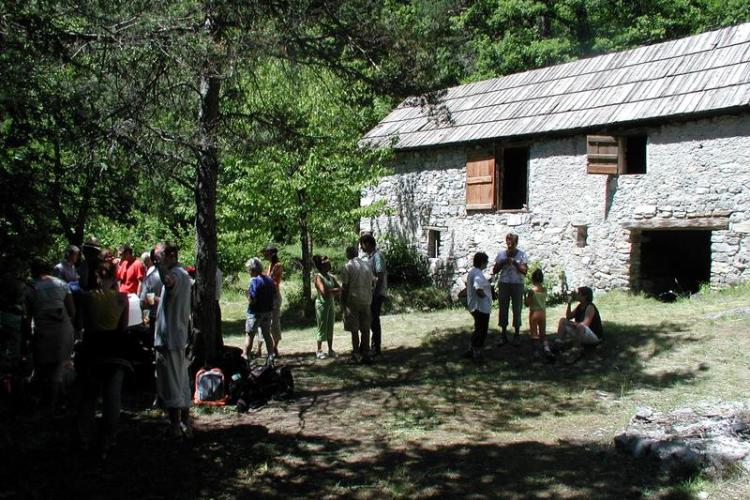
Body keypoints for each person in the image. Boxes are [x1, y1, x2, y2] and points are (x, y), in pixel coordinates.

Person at [76, 261, 131, 455]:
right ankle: (108, 439)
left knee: (88, 397)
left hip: (92, 349)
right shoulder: (122, 299)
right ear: (115, 278)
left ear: (97, 277)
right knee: (112, 398)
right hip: (115, 350)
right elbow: (123, 328)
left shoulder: (87, 298)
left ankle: (84, 438)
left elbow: (82, 325)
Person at [154, 242, 193, 438]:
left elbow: (168, 281)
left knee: (171, 382)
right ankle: (185, 422)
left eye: (159, 256)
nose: (156, 260)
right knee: (181, 379)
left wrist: (160, 266)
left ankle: (176, 426)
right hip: (177, 336)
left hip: (170, 338)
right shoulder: (184, 274)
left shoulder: (177, 275)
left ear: (169, 256)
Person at [26, 259, 75, 416]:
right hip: (62, 329)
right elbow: (72, 311)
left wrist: (27, 335)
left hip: (43, 329)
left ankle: (43, 403)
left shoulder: (32, 287)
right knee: (58, 368)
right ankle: (55, 403)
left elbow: (28, 315)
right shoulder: (61, 284)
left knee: (41, 367)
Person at [492, 233, 528, 346]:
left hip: (517, 284)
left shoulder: (522, 255)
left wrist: (515, 263)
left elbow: (524, 271)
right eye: (508, 241)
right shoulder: (501, 254)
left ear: (516, 243)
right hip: (504, 283)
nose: (509, 244)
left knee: (517, 308)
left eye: (512, 242)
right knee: (503, 308)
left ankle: (517, 335)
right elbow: (494, 270)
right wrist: (503, 262)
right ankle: (503, 335)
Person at [340, 246, 373, 364]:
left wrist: (343, 303)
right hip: (366, 300)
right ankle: (366, 353)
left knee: (354, 329)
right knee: (365, 329)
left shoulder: (347, 266)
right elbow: (372, 282)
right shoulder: (367, 265)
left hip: (353, 300)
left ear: (348, 254)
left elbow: (345, 287)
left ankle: (356, 354)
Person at [556, 286, 603, 363]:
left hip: (593, 335)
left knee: (580, 326)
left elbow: (586, 324)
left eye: (579, 294)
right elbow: (568, 317)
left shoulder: (590, 307)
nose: (577, 295)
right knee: (563, 320)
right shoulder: (579, 306)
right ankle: (558, 343)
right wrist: (569, 304)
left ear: (585, 296)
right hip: (581, 332)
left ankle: (576, 351)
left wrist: (574, 324)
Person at [359, 233, 387, 357]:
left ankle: (376, 348)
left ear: (368, 244)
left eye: (362, 245)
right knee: (370, 320)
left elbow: (380, 276)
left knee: (374, 320)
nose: (361, 247)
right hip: (371, 293)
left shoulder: (377, 257)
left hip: (377, 293)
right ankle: (370, 346)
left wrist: (376, 293)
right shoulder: (369, 257)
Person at [244, 258, 275, 364]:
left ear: (252, 270)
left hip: (255, 312)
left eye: (249, 270)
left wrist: (247, 295)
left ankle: (246, 357)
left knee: (250, 335)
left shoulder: (254, 281)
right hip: (267, 312)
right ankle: (271, 355)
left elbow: (253, 300)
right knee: (267, 334)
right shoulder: (269, 280)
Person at [465, 252, 492, 362]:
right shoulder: (477, 274)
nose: (487, 263)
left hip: (475, 306)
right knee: (482, 331)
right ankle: (477, 353)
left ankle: (471, 349)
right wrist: (486, 297)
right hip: (480, 307)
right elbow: (479, 289)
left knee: (478, 329)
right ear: (482, 262)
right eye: (486, 261)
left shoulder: (473, 272)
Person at [312, 255, 341, 359]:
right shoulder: (318, 277)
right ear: (323, 266)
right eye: (328, 263)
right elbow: (324, 292)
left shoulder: (331, 277)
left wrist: (333, 291)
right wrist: (335, 291)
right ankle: (319, 350)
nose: (330, 264)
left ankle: (330, 349)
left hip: (330, 303)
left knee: (330, 326)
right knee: (322, 326)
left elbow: (340, 288)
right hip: (321, 305)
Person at [526, 268, 553, 360]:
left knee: (534, 333)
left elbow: (527, 303)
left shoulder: (532, 291)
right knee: (543, 333)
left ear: (533, 279)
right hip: (542, 313)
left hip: (534, 313)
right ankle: (547, 349)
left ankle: (536, 352)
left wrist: (524, 296)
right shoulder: (544, 289)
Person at [261, 246, 283, 357]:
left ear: (273, 254)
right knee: (265, 321)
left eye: (268, 253)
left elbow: (272, 281)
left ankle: (275, 347)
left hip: (274, 297)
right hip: (267, 297)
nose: (266, 255)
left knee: (274, 322)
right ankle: (261, 348)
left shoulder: (278, 265)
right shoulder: (270, 266)